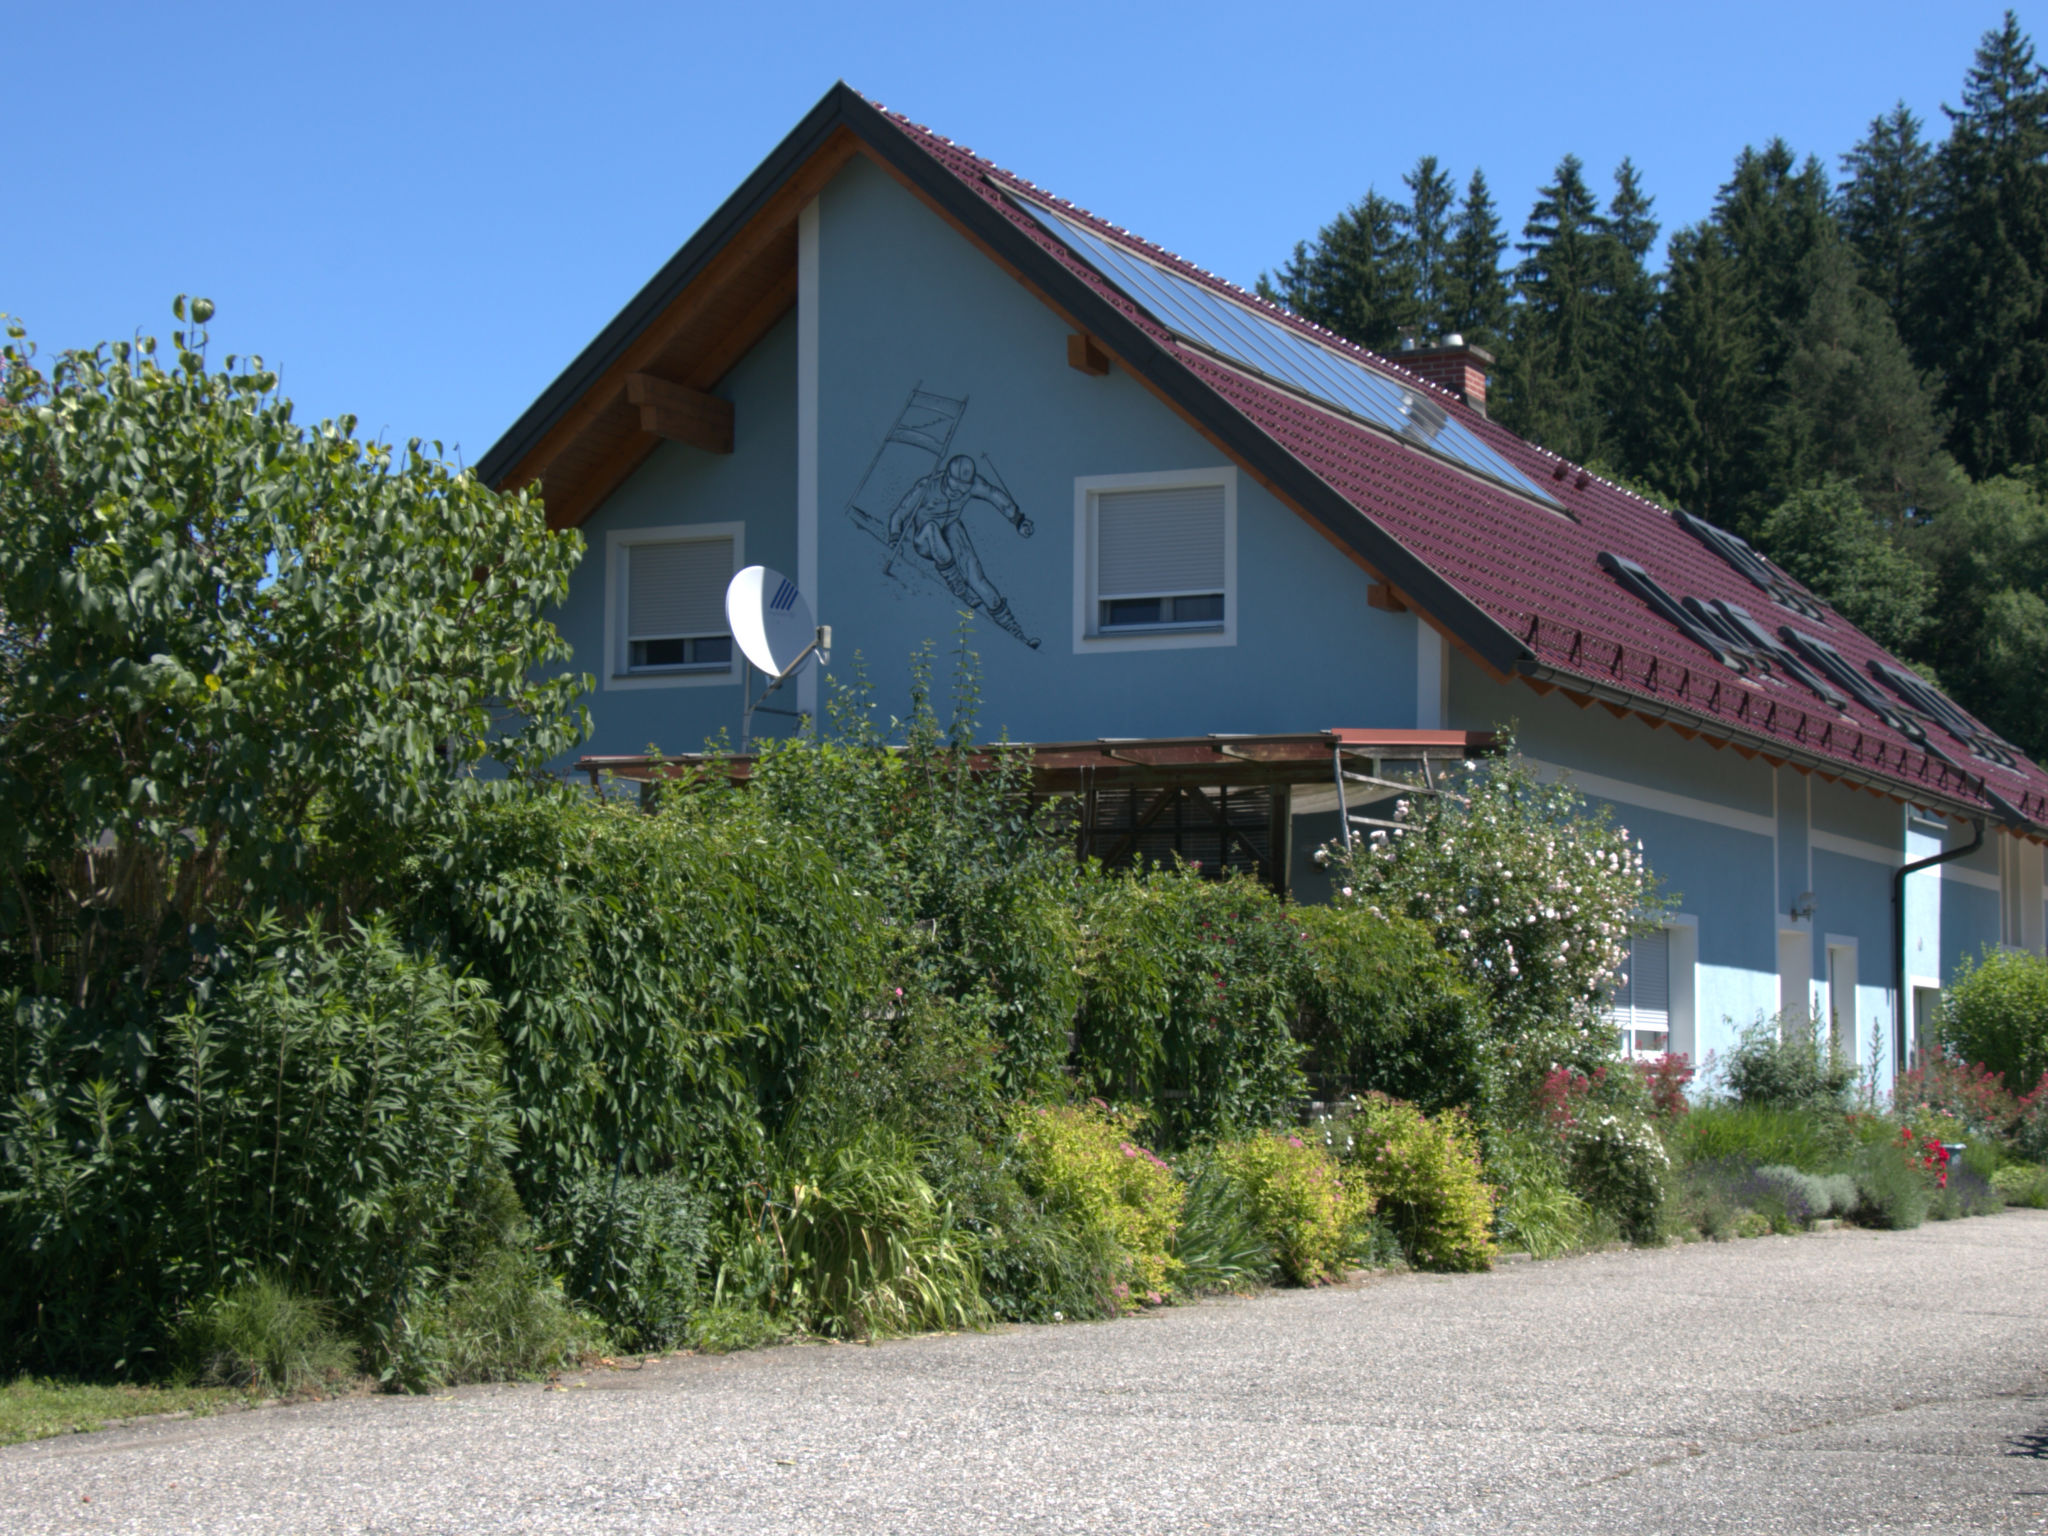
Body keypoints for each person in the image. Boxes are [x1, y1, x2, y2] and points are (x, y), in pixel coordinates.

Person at [887, 454, 1039, 648]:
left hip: (950, 530)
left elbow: (995, 496)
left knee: (975, 574)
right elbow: (899, 514)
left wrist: (1018, 520)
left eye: (962, 491)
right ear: (946, 478)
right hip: (925, 540)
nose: (956, 494)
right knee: (933, 528)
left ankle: (1016, 631)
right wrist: (894, 538)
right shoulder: (927, 485)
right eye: (953, 489)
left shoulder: (974, 484)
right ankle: (958, 586)